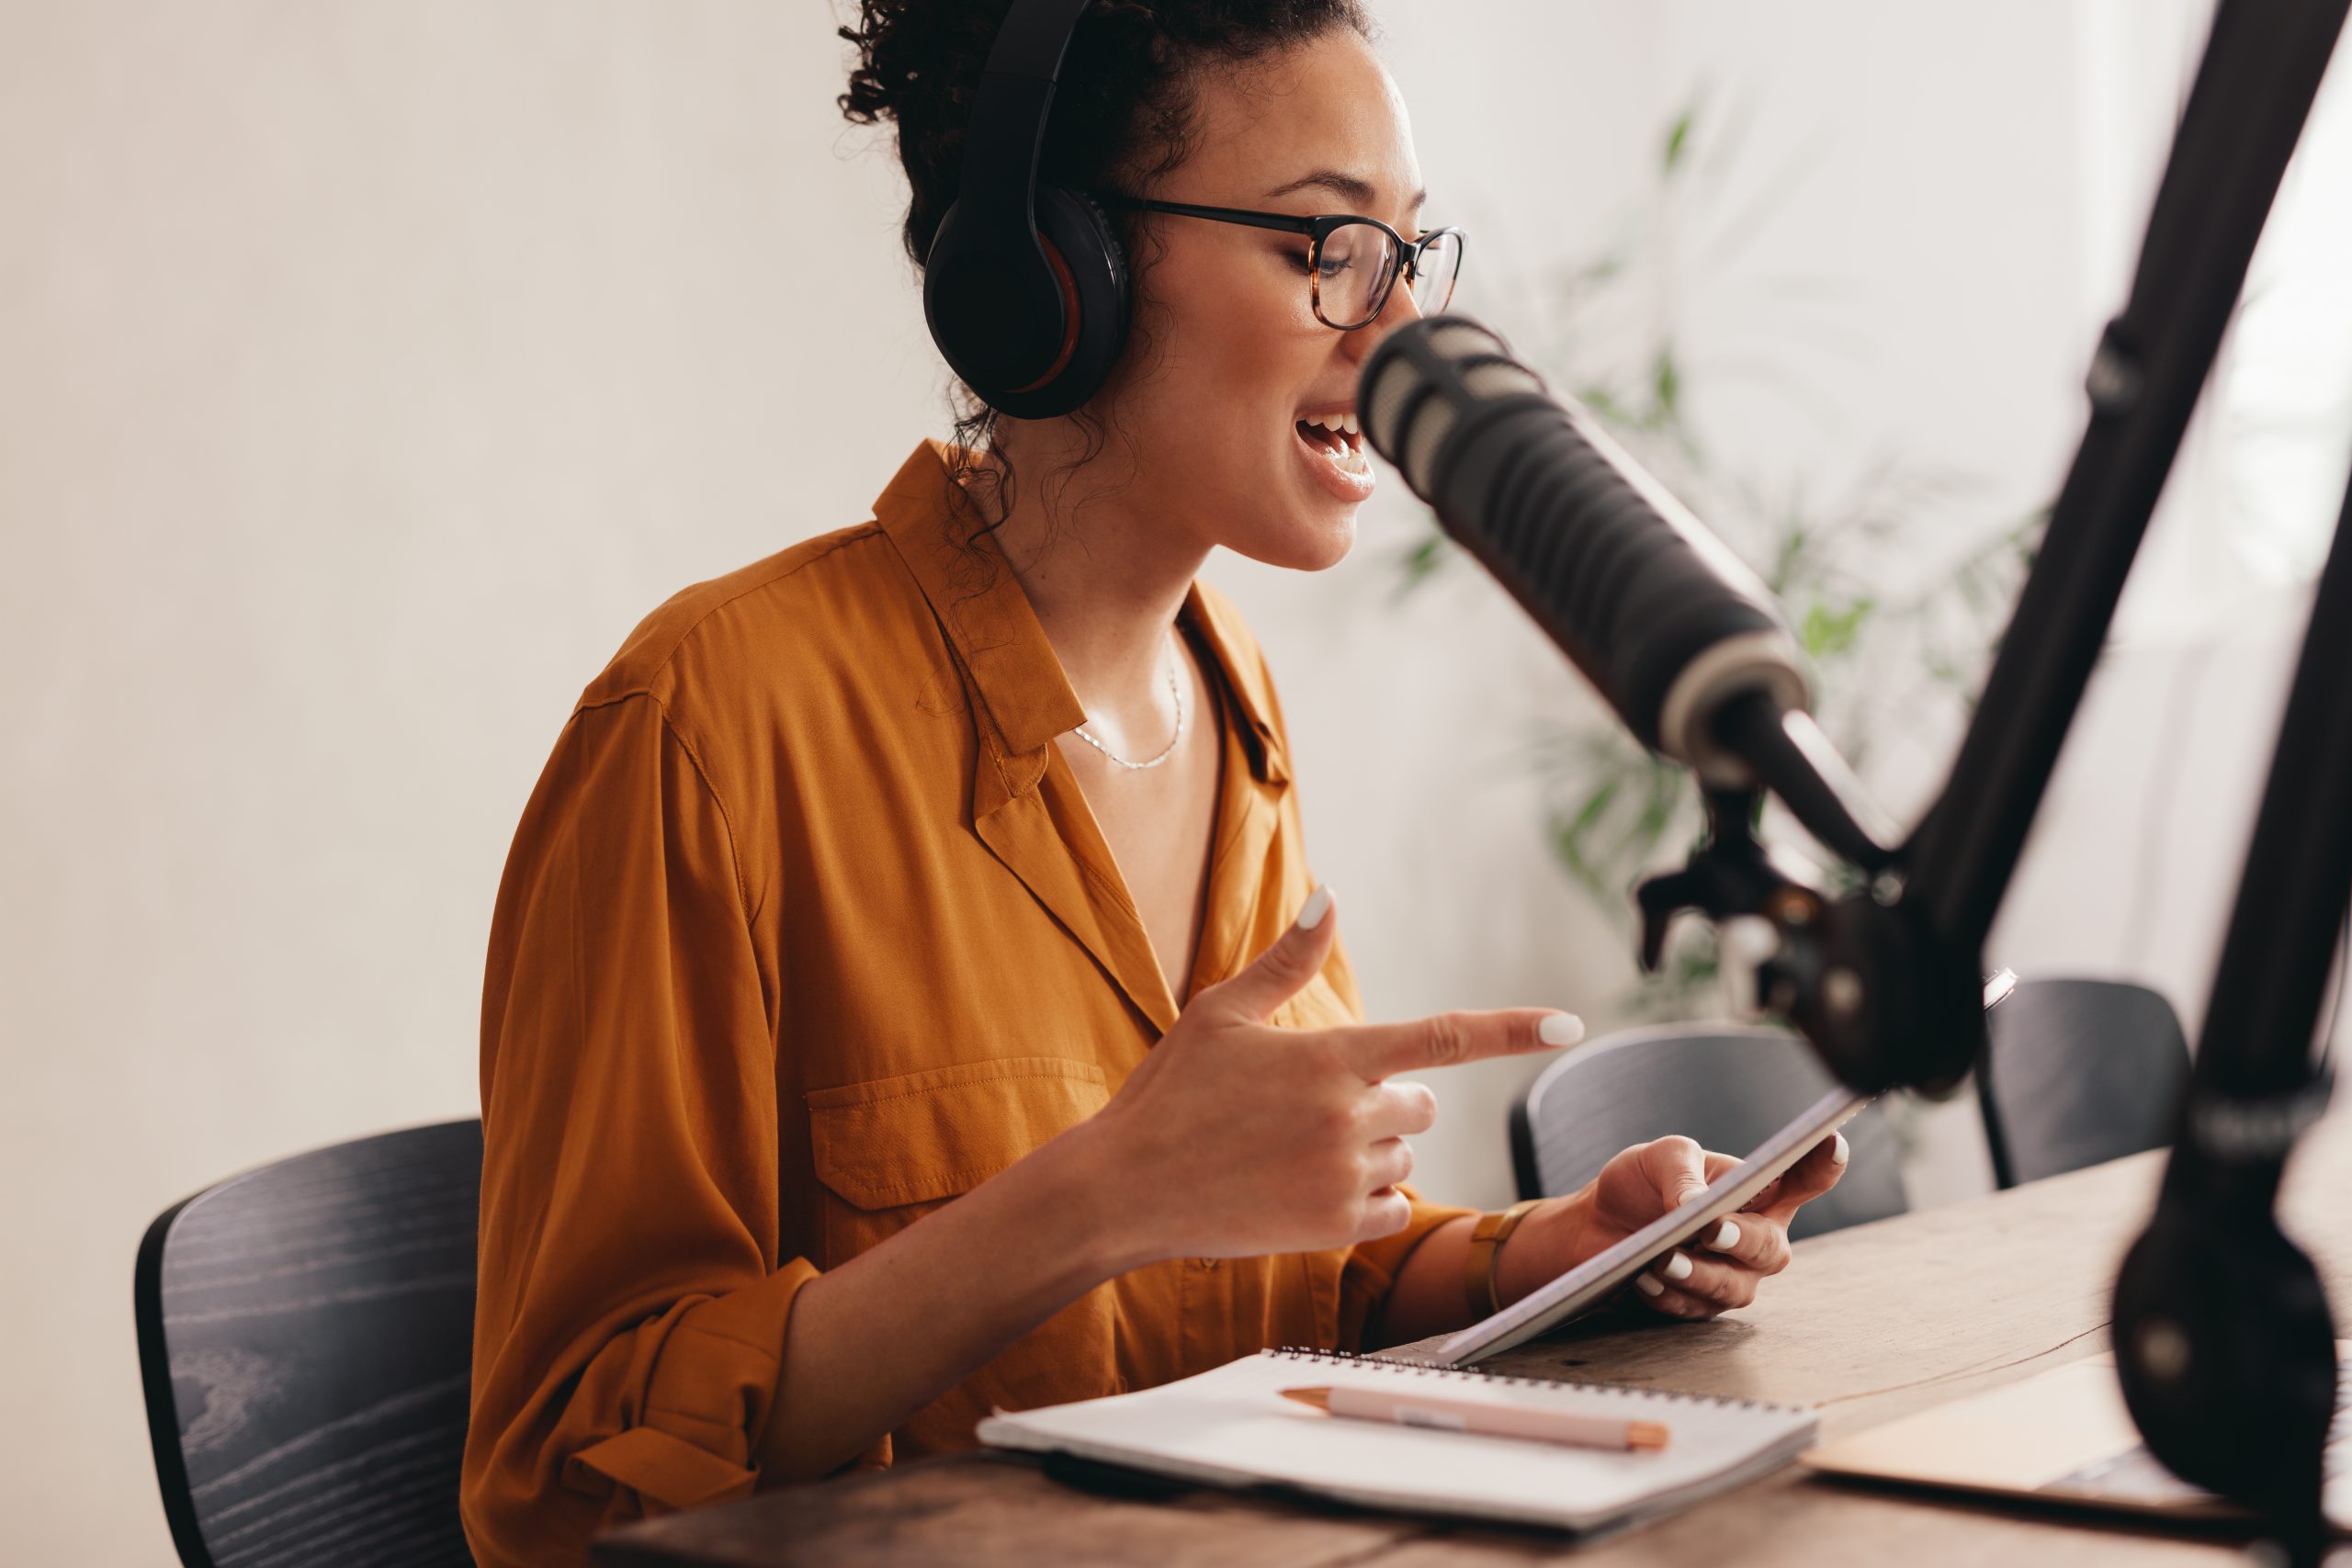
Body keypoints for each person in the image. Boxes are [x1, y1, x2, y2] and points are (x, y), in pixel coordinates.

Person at [458, 4, 1846, 1563]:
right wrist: (1094, 1198)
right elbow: (564, 1483)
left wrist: (1545, 1254)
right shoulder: (710, 729)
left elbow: (1281, 1287)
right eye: (1326, 244)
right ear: (1064, 274)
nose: (1397, 328)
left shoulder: (1228, 690)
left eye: (1411, 250)